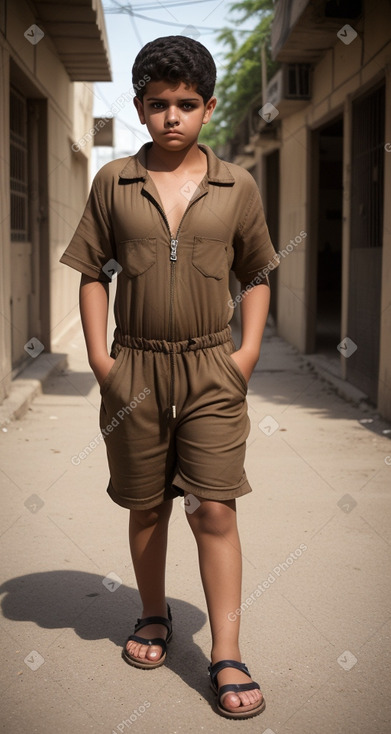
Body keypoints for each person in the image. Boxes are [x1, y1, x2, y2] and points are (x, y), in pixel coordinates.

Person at [60, 35, 279, 720]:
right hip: (138, 367)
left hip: (213, 365)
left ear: (209, 106)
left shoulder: (236, 185)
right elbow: (92, 272)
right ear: (139, 107)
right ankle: (152, 615)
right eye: (159, 104)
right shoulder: (113, 182)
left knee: (213, 505)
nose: (173, 116)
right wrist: (102, 361)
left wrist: (244, 357)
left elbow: (258, 273)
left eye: (187, 103)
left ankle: (227, 651)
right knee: (147, 503)